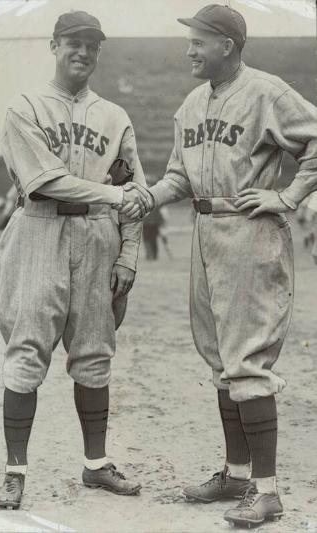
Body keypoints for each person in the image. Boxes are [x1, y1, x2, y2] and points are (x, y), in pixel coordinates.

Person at [125, 4, 317, 528]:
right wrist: (145, 197)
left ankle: (268, 492)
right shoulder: (190, 103)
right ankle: (235, 474)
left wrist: (290, 194)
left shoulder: (267, 91)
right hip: (206, 233)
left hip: (251, 232)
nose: (189, 50)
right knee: (220, 361)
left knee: (247, 360)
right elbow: (179, 178)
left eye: (198, 41)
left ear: (227, 45)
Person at [0, 10, 152, 509]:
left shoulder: (114, 115)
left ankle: (96, 465)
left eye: (92, 45)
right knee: (26, 352)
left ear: (99, 52)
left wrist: (128, 256)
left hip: (98, 238)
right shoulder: (26, 106)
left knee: (94, 355)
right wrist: (113, 194)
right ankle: (15, 470)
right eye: (73, 43)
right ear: (54, 45)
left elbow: (137, 190)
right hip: (40, 229)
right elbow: (45, 181)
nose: (82, 52)